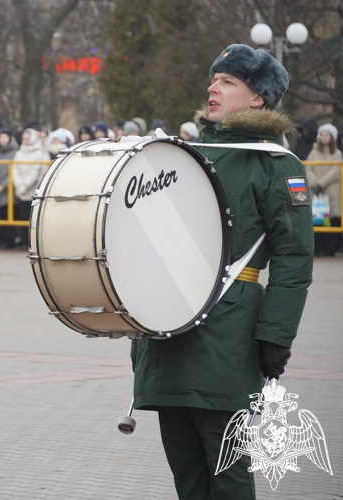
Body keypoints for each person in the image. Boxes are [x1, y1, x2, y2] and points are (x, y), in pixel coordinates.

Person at [132, 44, 314, 500]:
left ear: (258, 97)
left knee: (228, 472)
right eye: (213, 79)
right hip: (167, 331)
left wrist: (276, 334)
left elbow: (294, 258)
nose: (212, 88)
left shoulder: (275, 163)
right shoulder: (181, 154)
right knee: (186, 470)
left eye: (228, 81)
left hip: (229, 334)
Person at [306, 123, 342, 256]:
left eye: (326, 135)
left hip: (330, 192)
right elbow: (308, 168)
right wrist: (315, 184)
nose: (323, 137)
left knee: (332, 221)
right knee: (317, 220)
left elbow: (335, 170)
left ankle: (329, 249)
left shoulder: (337, 153)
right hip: (316, 192)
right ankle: (317, 248)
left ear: (332, 137)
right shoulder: (314, 152)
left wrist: (320, 184)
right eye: (322, 134)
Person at [12, 128, 46, 249]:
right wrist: (19, 185)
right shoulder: (19, 152)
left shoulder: (39, 153)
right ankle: (21, 240)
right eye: (24, 138)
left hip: (32, 190)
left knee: (31, 217)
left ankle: (31, 241)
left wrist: (25, 185)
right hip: (20, 191)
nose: (26, 141)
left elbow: (35, 171)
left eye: (28, 138)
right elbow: (14, 169)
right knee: (21, 216)